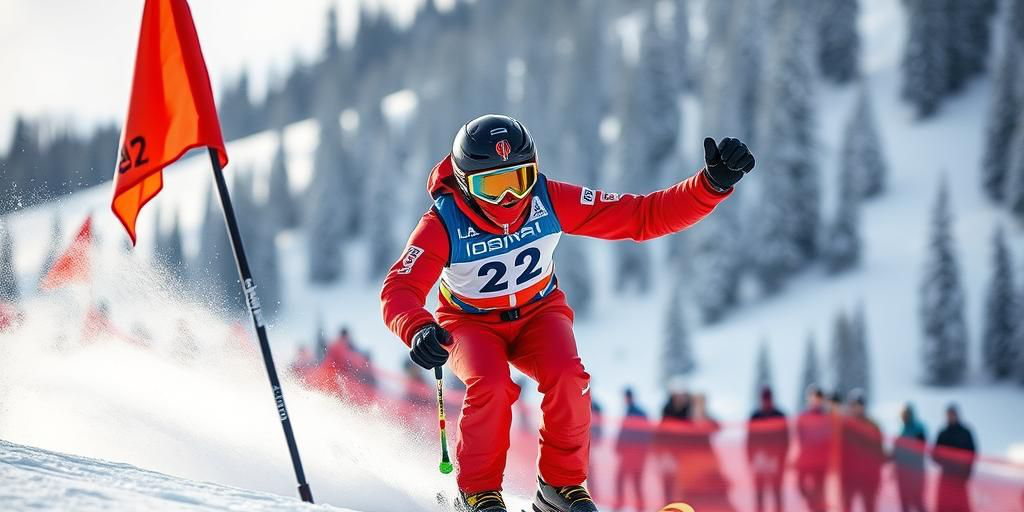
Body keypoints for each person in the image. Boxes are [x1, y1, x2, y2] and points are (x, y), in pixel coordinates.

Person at [380, 114, 754, 512]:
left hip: (539, 313)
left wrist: (709, 186)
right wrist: (418, 328)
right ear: (465, 186)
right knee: (489, 385)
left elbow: (641, 216)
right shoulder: (443, 221)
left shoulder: (549, 199)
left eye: (518, 180)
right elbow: (399, 289)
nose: (508, 199)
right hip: (469, 324)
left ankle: (559, 488)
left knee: (569, 378)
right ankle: (478, 493)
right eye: (491, 186)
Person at [675, 393, 735, 512]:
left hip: (708, 467)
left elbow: (718, 426)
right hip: (691, 469)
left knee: (717, 498)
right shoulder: (684, 419)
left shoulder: (707, 419)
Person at [838, 390, 884, 512]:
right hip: (849, 475)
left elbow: (879, 451)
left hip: (868, 476)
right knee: (846, 506)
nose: (856, 408)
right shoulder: (845, 425)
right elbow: (840, 450)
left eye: (859, 404)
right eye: (853, 405)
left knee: (869, 506)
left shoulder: (873, 425)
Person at [746, 387, 789, 512]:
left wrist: (781, 459)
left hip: (776, 461)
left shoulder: (779, 415)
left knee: (776, 492)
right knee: (760, 494)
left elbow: (786, 439)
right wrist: (751, 459)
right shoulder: (755, 416)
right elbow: (750, 440)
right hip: (760, 461)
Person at [613, 388, 652, 512]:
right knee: (622, 479)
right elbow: (624, 432)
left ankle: (639, 507)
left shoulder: (638, 413)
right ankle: (621, 505)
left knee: (634, 481)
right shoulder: (629, 411)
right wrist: (619, 446)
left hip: (636, 455)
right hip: (628, 454)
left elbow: (644, 435)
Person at [932, 404, 976, 512]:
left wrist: (967, 472)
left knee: (961, 507)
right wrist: (946, 462)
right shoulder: (943, 433)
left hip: (960, 478)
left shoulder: (965, 432)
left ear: (957, 415)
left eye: (952, 414)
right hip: (946, 477)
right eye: (948, 415)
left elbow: (972, 453)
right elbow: (934, 454)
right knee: (944, 506)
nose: (950, 417)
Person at [796, 385, 833, 512]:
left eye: (818, 398)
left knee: (819, 493)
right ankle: (813, 505)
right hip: (806, 461)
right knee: (802, 487)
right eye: (813, 397)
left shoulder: (827, 418)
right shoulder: (803, 417)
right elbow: (799, 438)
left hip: (820, 463)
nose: (815, 400)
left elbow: (830, 439)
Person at [653, 383, 691, 503]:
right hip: (669, 454)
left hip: (684, 456)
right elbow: (659, 436)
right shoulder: (667, 413)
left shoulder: (689, 413)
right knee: (668, 483)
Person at [892, 403, 927, 512]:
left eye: (906, 414)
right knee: (904, 503)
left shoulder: (919, 429)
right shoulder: (901, 430)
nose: (904, 417)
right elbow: (896, 453)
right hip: (902, 473)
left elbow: (921, 448)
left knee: (917, 501)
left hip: (915, 473)